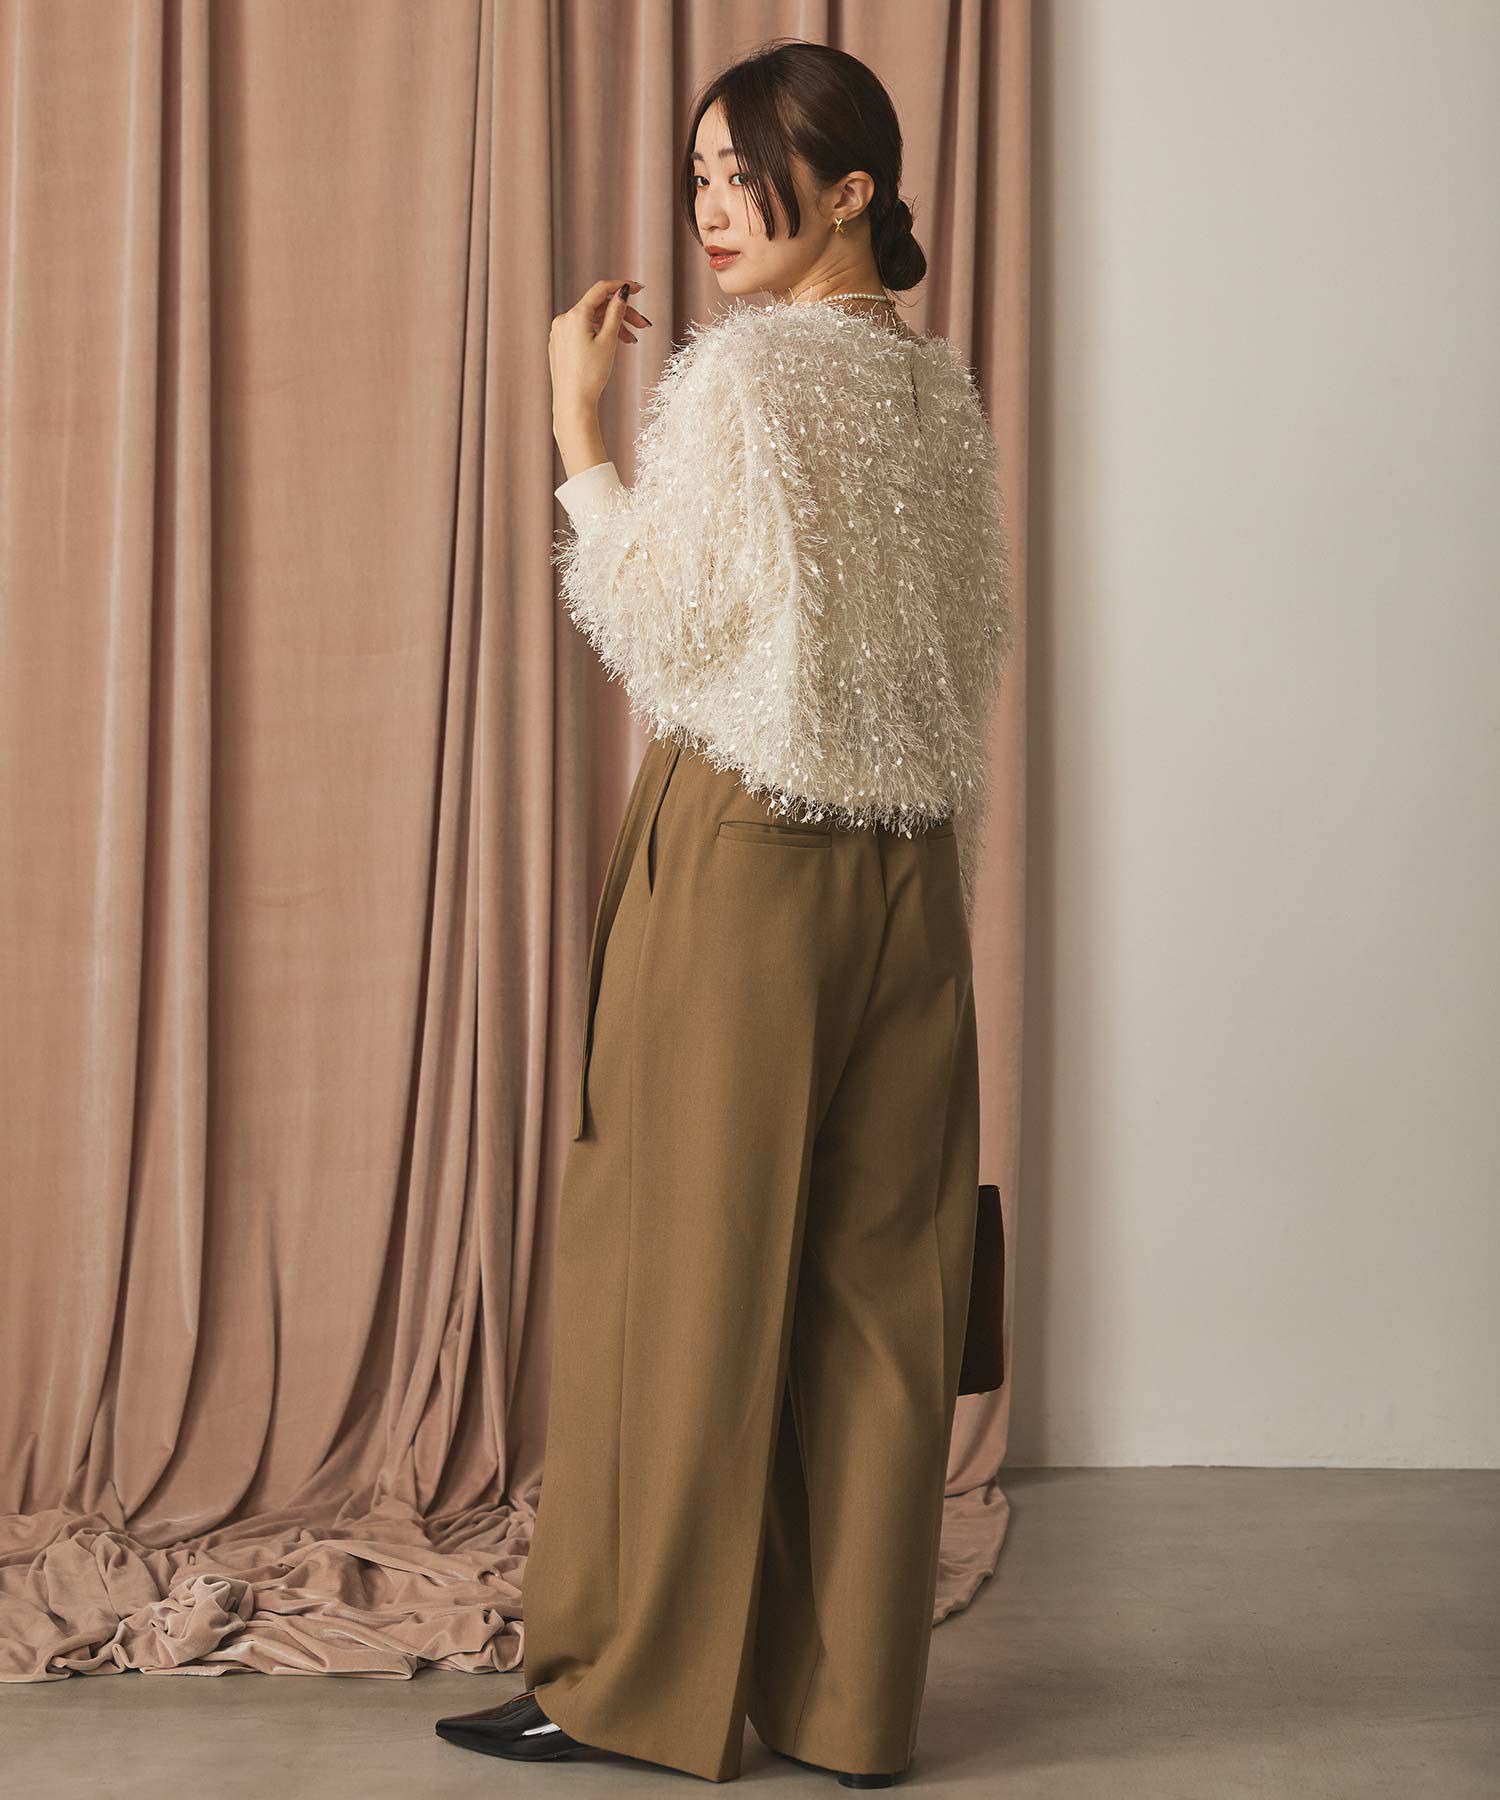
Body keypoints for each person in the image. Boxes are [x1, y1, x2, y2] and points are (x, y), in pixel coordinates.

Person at [436, 37, 1013, 1790]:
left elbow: (660, 626)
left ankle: (629, 1686)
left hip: (746, 851)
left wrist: (575, 427)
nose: (710, 206)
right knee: (881, 1284)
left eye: (743, 172)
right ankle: (852, 1710)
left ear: (850, 191)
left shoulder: (745, 374)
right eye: (698, 173)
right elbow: (967, 653)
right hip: (910, 869)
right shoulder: (939, 393)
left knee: (679, 1268)